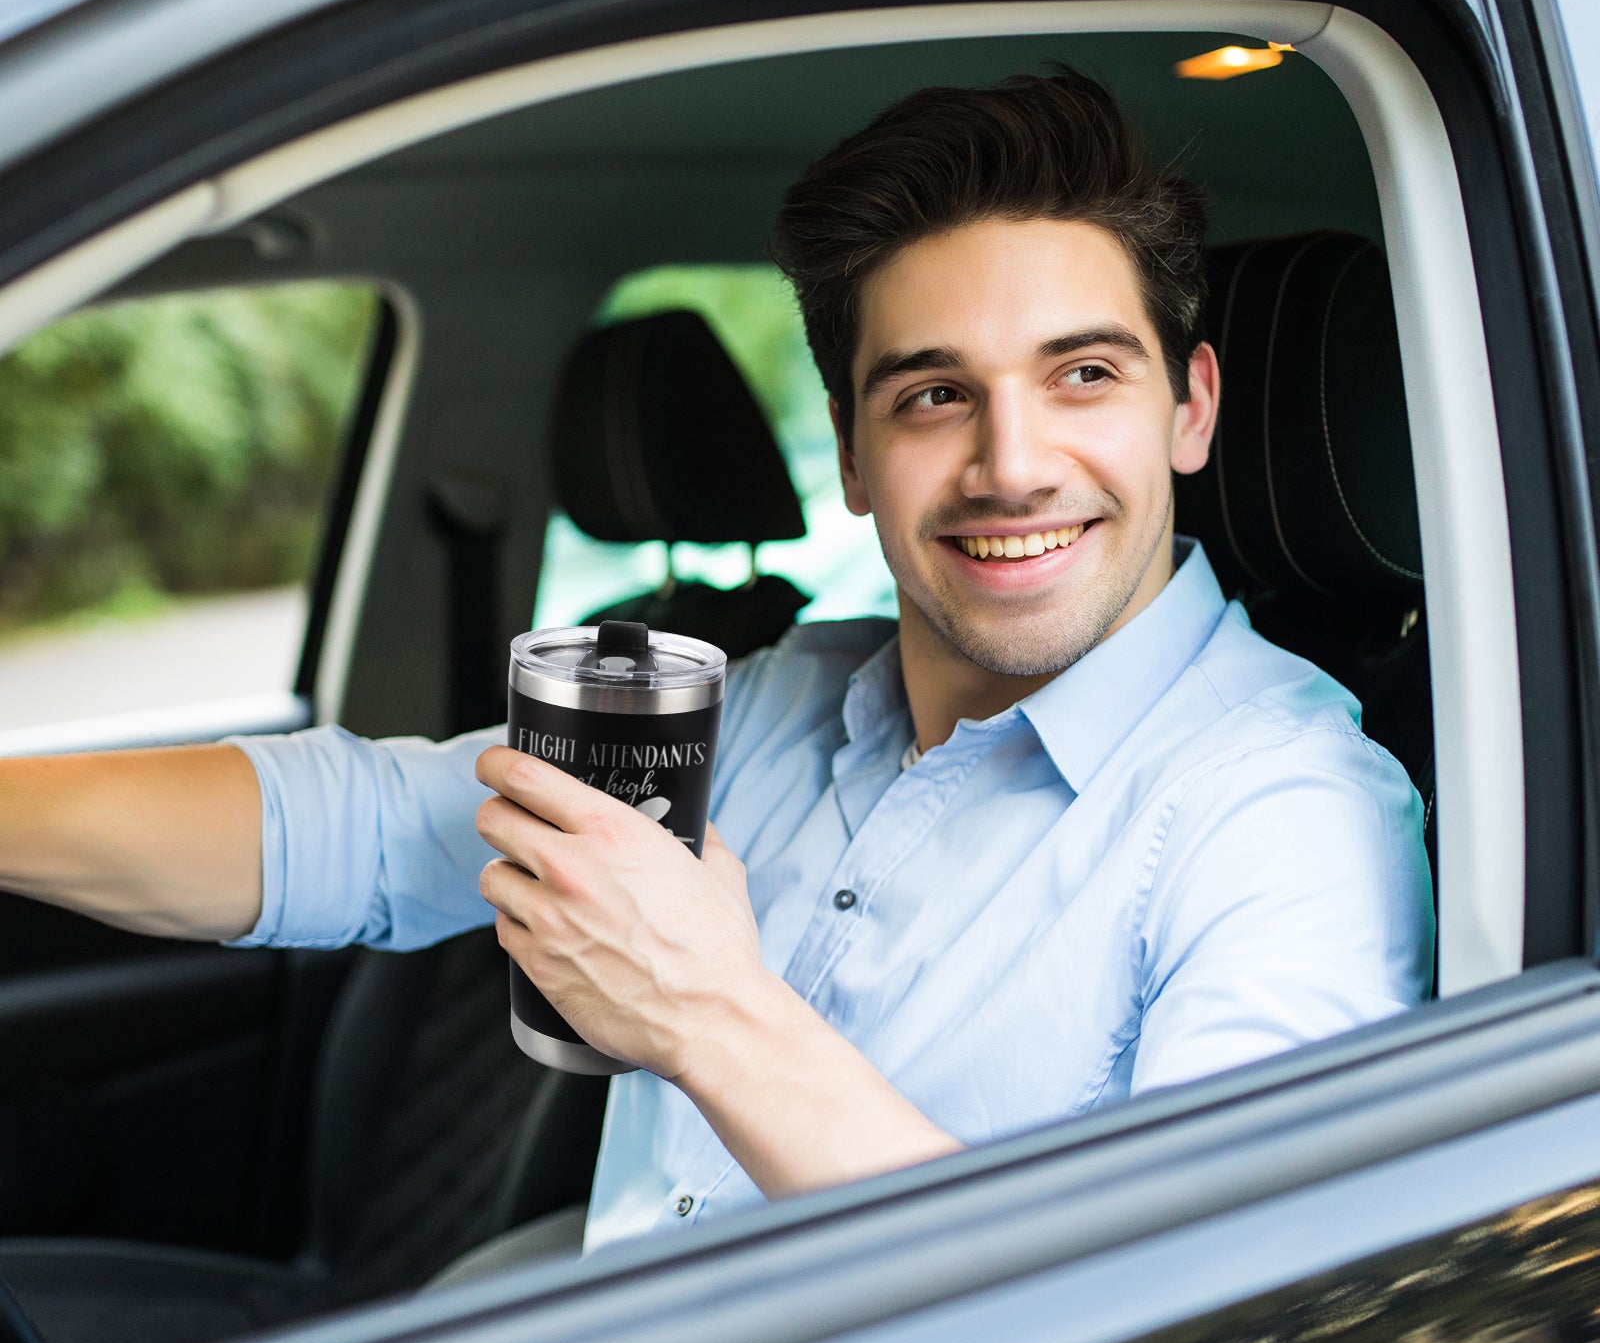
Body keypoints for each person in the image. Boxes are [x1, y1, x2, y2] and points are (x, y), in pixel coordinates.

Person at [0, 70, 1432, 1256]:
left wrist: (704, 1014)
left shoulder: (1289, 819)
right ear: (857, 455)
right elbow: (367, 832)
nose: (1012, 464)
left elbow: (1204, 1340)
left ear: (1189, 409)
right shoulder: (777, 700)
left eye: (1084, 375)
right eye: (935, 395)